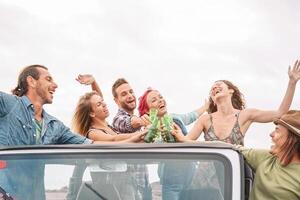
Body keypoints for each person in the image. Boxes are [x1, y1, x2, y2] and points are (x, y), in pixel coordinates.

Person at [0, 65, 143, 200]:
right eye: (48, 79)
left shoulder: (55, 126)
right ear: (31, 81)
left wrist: (136, 138)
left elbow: (92, 146)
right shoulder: (9, 104)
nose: (55, 85)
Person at [173, 110, 300, 200]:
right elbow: (225, 146)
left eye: (277, 131)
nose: (271, 134)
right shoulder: (265, 158)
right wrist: (186, 141)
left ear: (291, 139)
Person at [174, 60, 300, 145]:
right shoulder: (205, 119)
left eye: (218, 85)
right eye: (212, 89)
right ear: (212, 98)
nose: (214, 88)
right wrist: (178, 133)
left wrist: (292, 83)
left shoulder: (245, 115)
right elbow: (186, 141)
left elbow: (280, 113)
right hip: (204, 179)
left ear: (231, 91)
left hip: (232, 178)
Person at [137, 88, 208, 200]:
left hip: (191, 176)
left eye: (160, 97)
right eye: (154, 100)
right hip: (171, 183)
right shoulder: (149, 131)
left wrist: (206, 107)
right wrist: (154, 129)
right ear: (148, 111)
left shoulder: (175, 118)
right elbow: (151, 146)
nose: (160, 100)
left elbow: (191, 116)